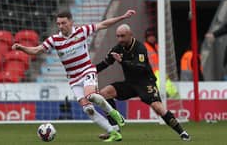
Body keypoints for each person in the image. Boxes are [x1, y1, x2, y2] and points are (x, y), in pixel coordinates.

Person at [12, 9, 136, 142]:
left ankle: (114, 114)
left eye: (63, 23)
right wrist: (21, 48)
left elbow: (103, 24)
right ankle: (113, 132)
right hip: (73, 79)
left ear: (71, 22)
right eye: (58, 24)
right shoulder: (54, 39)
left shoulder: (82, 31)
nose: (61, 26)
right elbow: (37, 50)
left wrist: (122, 17)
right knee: (88, 110)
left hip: (87, 71)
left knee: (92, 96)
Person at [96, 24, 191, 141]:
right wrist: (88, 71)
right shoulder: (117, 48)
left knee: (158, 108)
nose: (120, 39)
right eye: (118, 36)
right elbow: (105, 63)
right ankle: (115, 130)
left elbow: (139, 67)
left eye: (122, 36)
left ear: (130, 35)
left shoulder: (140, 48)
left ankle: (182, 132)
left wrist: (122, 61)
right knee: (105, 93)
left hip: (145, 82)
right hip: (130, 83)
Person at [143, 27, 178, 98]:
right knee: (159, 91)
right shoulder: (143, 48)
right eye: (149, 37)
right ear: (146, 38)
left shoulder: (158, 46)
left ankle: (177, 101)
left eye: (153, 36)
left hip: (161, 72)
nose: (151, 38)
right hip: (152, 73)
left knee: (172, 90)